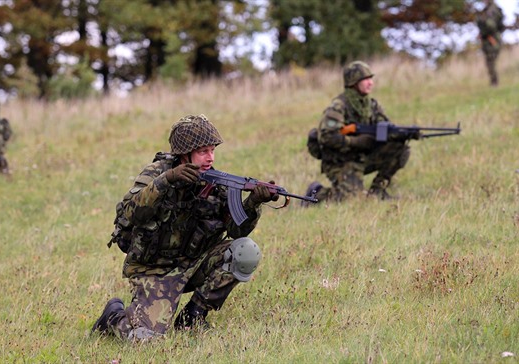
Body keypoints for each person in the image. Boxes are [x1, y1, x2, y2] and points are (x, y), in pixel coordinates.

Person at [93, 114, 278, 341]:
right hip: (154, 271)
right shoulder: (156, 174)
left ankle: (193, 316)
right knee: (144, 340)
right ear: (184, 153)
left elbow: (237, 231)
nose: (210, 158)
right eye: (203, 152)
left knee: (245, 251)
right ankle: (113, 316)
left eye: (213, 150)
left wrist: (253, 203)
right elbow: (132, 213)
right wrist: (167, 180)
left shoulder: (215, 182)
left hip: (194, 263)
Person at [305, 61, 415, 203]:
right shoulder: (339, 107)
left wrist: (405, 133)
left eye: (371, 79)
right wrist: (356, 141)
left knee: (401, 149)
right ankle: (317, 193)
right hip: (340, 161)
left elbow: (385, 129)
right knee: (351, 199)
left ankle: (378, 190)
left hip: (362, 157)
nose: (371, 83)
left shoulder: (371, 105)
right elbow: (327, 136)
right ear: (353, 83)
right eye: (366, 79)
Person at [476, 0, 505, 86]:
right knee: (489, 62)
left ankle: (494, 83)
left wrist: (484, 33)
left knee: (490, 62)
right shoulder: (490, 9)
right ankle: (493, 82)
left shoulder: (491, 10)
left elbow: (491, 26)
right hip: (491, 38)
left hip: (492, 39)